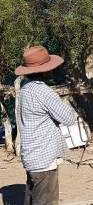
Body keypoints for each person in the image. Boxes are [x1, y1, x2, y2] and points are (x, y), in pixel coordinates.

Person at [15, 45, 76, 205]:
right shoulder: (44, 92)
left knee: (31, 198)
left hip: (32, 156)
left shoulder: (25, 89)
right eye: (50, 68)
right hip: (44, 158)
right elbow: (69, 118)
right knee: (46, 201)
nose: (52, 71)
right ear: (44, 70)